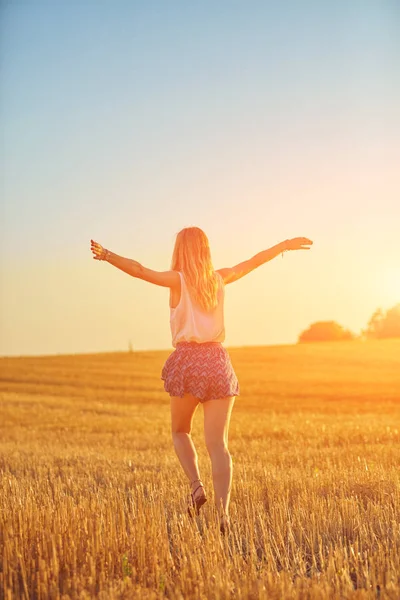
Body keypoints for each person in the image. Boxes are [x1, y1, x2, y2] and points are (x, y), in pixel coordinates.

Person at [90, 228, 313, 533]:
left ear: (180, 250)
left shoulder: (177, 280)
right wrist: (285, 245)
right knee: (218, 445)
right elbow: (254, 261)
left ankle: (196, 486)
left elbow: (140, 270)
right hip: (217, 361)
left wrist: (107, 255)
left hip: (188, 361)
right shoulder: (220, 278)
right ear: (206, 250)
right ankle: (224, 515)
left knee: (180, 431)